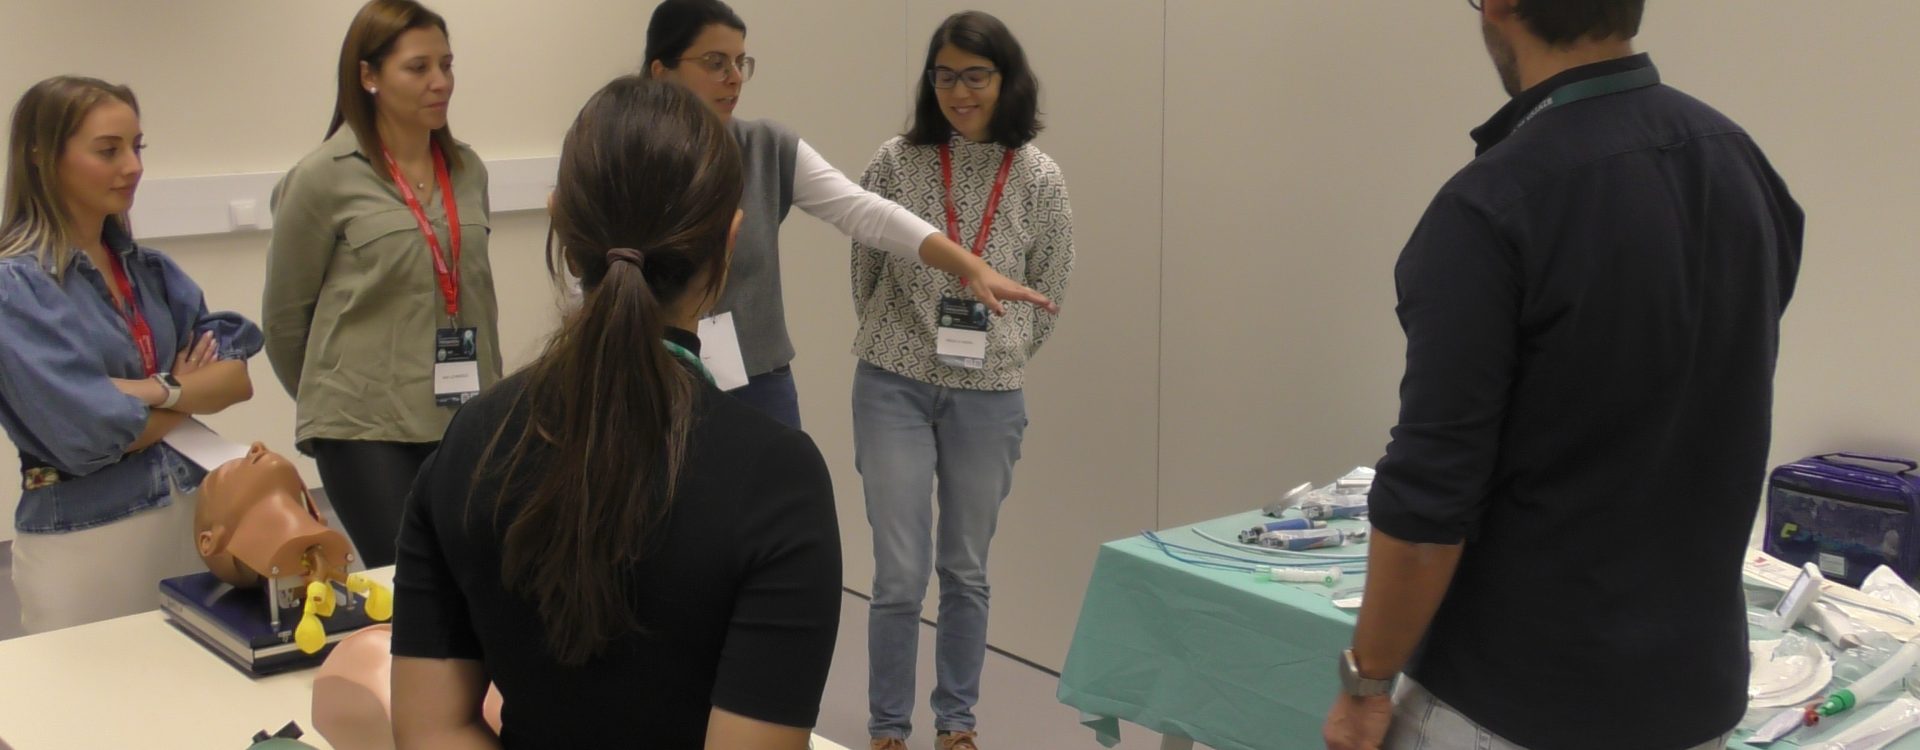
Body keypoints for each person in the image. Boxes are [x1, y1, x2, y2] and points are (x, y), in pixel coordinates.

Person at [1322, 2, 1803, 749]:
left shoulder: (1491, 206)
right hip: (1692, 696)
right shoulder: (1743, 164)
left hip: (1516, 703)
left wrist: (1366, 683)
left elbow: (1430, 496)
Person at [390, 76, 841, 750]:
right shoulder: (777, 480)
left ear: (560, 224)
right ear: (730, 239)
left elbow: (431, 728)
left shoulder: (472, 442)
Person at [641, 0, 1056, 428]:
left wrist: (967, 264)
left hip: (757, 378)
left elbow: (862, 211)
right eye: (715, 63)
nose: (733, 77)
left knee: (787, 472)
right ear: (661, 71)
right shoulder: (620, 151)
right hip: (646, 371)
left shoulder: (766, 147)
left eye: (740, 62)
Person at [852, 12, 1073, 750]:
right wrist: (901, 340)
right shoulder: (895, 161)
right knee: (898, 572)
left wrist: (999, 353)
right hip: (893, 383)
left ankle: (957, 724)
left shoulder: (1039, 176)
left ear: (1006, 80)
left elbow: (1050, 286)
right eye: (944, 76)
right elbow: (866, 268)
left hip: (989, 395)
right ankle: (888, 728)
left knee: (966, 569)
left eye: (975, 75)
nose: (959, 91)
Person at [0, 76, 261, 633]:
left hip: (190, 516)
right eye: (108, 151)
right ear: (42, 157)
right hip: (88, 541)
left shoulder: (150, 270)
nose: (133, 166)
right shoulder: (15, 288)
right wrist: (186, 396)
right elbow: (84, 436)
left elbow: (236, 378)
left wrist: (149, 392)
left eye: (137, 147)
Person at [263, 0, 498, 567]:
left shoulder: (468, 170)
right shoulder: (322, 177)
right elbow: (285, 320)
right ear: (368, 76)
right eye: (418, 68)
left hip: (465, 413)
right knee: (407, 580)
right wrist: (338, 397)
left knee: (475, 575)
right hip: (365, 426)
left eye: (446, 65)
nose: (440, 82)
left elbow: (473, 292)